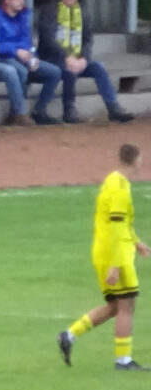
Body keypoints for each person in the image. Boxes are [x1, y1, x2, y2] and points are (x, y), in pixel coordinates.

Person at [58, 144, 149, 371]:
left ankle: (69, 335)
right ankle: (123, 361)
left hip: (103, 251)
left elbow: (118, 223)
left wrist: (136, 242)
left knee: (114, 307)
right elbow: (118, 227)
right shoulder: (120, 189)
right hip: (115, 255)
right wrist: (117, 265)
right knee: (127, 306)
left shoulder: (112, 181)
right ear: (136, 160)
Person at [37, 0, 134, 124]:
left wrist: (84, 58)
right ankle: (69, 109)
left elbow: (88, 38)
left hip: (77, 57)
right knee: (70, 70)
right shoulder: (50, 10)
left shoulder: (82, 11)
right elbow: (47, 38)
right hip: (53, 57)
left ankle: (113, 107)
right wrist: (67, 56)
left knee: (98, 68)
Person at [0, 0, 61, 125]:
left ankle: (39, 111)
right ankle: (17, 114)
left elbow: (28, 42)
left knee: (55, 72)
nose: (21, 2)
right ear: (7, 0)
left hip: (25, 58)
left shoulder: (23, 16)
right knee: (20, 71)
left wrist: (34, 57)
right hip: (4, 57)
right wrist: (15, 51)